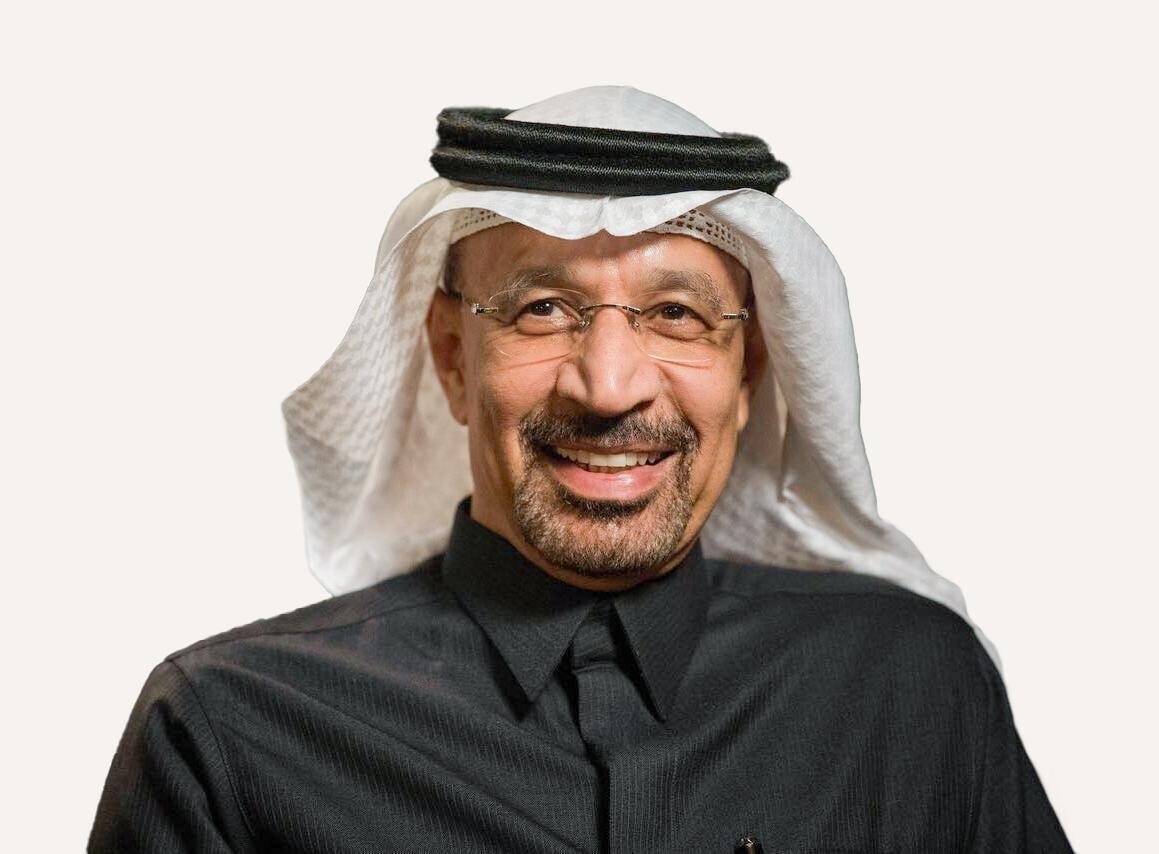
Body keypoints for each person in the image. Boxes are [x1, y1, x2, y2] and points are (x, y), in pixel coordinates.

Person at [90, 86, 1073, 853]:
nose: (608, 387)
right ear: (451, 357)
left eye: (677, 314)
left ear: (748, 370)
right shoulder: (232, 732)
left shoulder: (908, 688)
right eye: (542, 309)